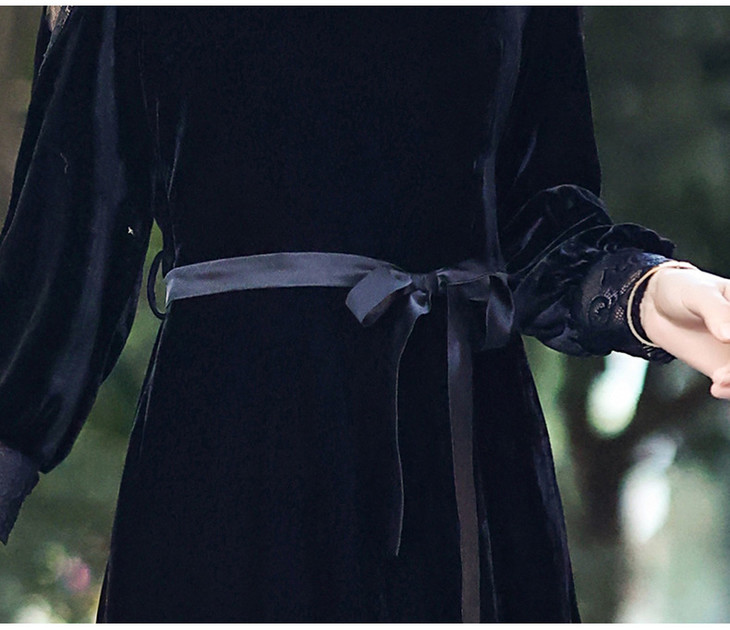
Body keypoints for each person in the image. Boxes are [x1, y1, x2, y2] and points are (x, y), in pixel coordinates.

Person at [1, 6, 729, 623]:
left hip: (464, 459)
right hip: (235, 461)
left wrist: (649, 292)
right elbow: (68, 235)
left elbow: (542, 219)